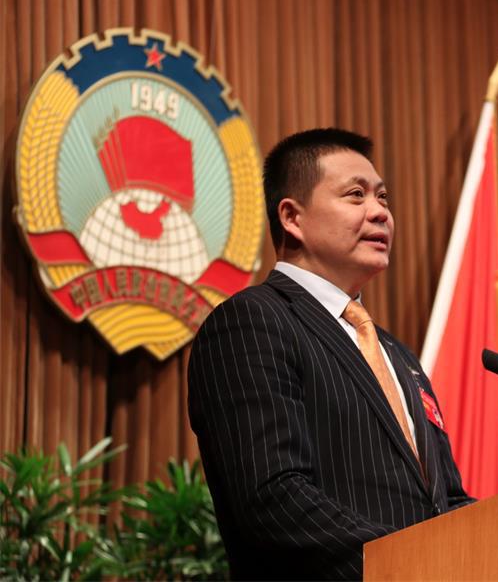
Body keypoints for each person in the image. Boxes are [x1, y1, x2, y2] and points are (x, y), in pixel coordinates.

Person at [188, 128, 475, 581]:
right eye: (356, 195)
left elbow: (447, 500)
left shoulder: (399, 356)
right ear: (292, 217)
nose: (380, 212)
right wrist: (406, 567)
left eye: (383, 197)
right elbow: (273, 498)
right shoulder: (252, 321)